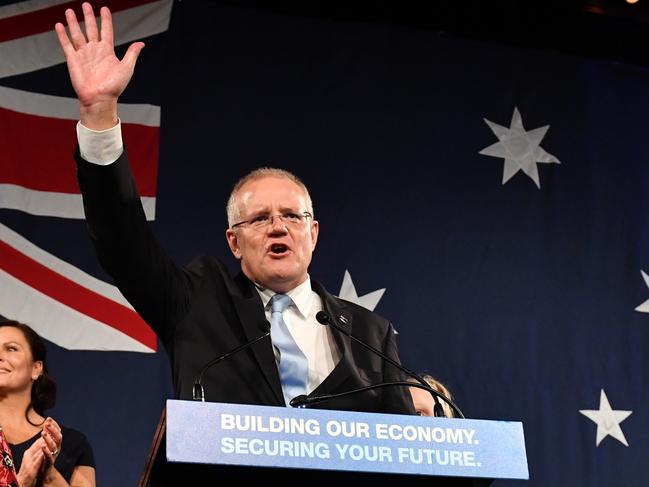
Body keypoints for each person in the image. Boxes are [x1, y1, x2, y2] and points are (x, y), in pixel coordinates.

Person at [54, 3, 414, 412]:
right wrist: (99, 112)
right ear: (234, 242)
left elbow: (404, 442)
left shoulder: (371, 332)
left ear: (313, 233)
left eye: (292, 216)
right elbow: (121, 240)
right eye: (259, 219)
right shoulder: (198, 302)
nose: (278, 227)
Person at [0, 321, 95, 487]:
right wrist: (22, 482)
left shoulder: (72, 443)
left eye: (11, 348)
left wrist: (48, 473)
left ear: (36, 369)